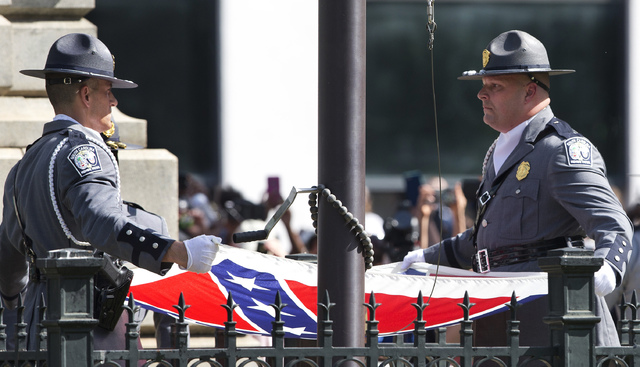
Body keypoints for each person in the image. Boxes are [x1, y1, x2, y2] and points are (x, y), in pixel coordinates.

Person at [401, 30, 633, 349]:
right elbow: (491, 238)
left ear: (529, 92)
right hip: (504, 325)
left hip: (558, 330)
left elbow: (614, 225)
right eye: (483, 86)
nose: (482, 95)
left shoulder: (561, 151)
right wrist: (428, 256)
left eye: (494, 86)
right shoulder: (499, 152)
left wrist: (607, 269)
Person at [0, 33, 221, 355]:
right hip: (90, 323)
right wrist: (177, 251)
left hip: (37, 322)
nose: (114, 102)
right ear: (86, 95)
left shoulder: (26, 163)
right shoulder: (84, 150)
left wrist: (15, 317)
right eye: (108, 91)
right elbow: (101, 222)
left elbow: (8, 259)